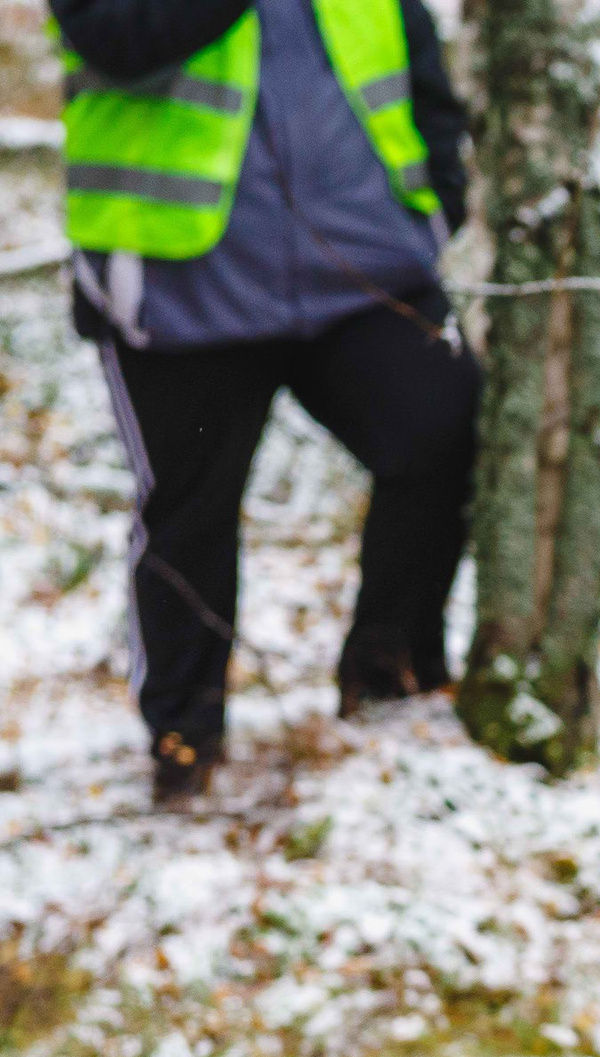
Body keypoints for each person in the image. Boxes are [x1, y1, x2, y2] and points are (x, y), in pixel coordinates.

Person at [49, 0, 480, 804]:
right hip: (185, 287)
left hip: (361, 272)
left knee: (443, 430)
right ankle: (185, 737)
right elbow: (115, 36)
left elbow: (416, 62)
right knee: (191, 510)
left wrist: (438, 202)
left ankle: (388, 675)